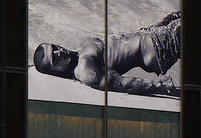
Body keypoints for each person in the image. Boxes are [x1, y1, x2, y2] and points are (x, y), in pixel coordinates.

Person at [32, 11, 181, 97]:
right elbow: (122, 83)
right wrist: (159, 85)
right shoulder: (85, 70)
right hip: (156, 46)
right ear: (55, 71)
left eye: (54, 48)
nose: (59, 52)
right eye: (54, 58)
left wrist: (157, 25)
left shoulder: (79, 51)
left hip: (151, 34)